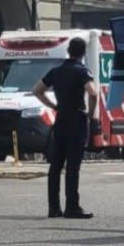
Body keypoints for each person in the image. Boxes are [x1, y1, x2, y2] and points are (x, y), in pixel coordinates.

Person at [32, 37, 97, 219]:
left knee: (56, 165)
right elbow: (93, 92)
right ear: (83, 52)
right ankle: (72, 206)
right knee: (73, 166)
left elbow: (36, 90)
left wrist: (53, 106)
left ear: (69, 51)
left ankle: (53, 208)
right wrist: (90, 114)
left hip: (61, 119)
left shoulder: (56, 71)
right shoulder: (82, 71)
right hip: (77, 119)